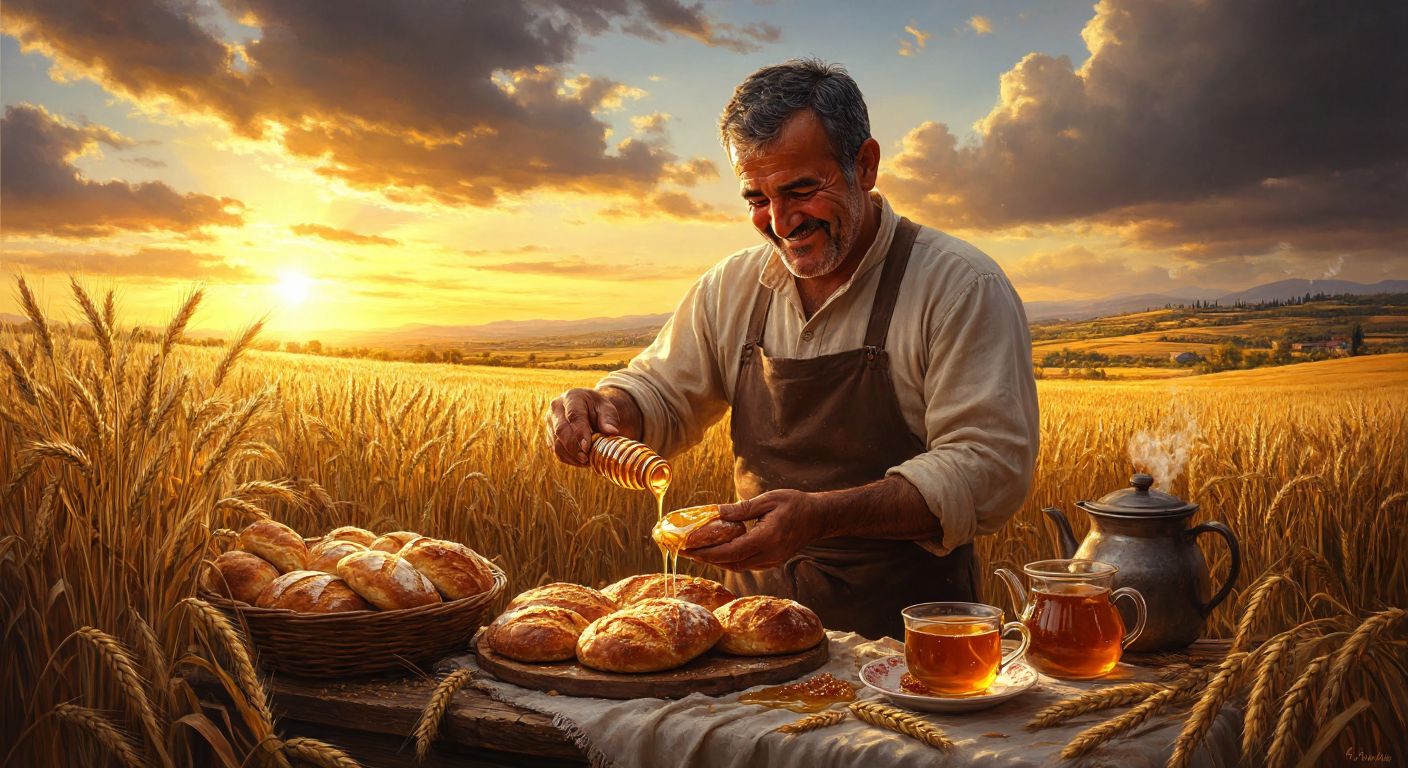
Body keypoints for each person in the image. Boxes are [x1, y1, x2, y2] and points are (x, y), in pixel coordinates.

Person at [548, 59, 1038, 640]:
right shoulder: (731, 287)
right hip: (752, 639)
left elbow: (989, 468)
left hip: (914, 647)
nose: (780, 223)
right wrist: (610, 407)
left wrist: (822, 517)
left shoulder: (958, 286)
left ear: (866, 164)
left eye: (801, 189)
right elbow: (660, 392)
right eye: (756, 197)